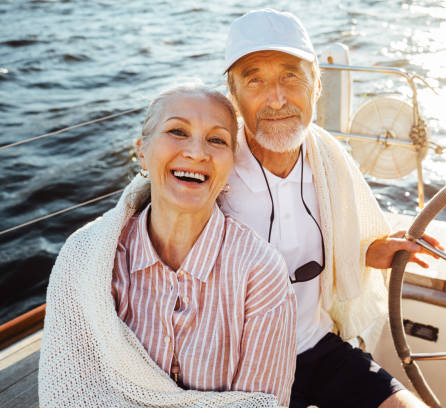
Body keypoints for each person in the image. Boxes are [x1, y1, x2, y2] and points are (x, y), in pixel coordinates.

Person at [219, 9, 441, 408]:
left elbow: (339, 251)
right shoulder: (212, 166)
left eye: (291, 76)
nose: (277, 98)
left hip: (316, 347)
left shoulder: (327, 159)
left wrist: (372, 252)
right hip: (231, 369)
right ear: (233, 97)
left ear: (317, 85)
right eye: (255, 80)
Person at [39, 83, 297, 408]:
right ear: (142, 153)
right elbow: (68, 393)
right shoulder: (83, 259)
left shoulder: (261, 272)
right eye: (177, 131)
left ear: (231, 164)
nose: (197, 152)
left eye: (216, 139)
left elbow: (263, 402)